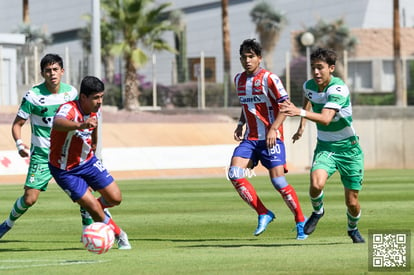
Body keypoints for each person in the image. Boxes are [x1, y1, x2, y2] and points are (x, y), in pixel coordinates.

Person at [0, 54, 95, 239]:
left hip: (68, 153)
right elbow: (17, 124)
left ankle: (89, 231)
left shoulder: (71, 93)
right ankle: (6, 225)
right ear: (42, 73)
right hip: (42, 155)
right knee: (30, 198)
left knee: (86, 193)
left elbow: (80, 118)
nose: (52, 74)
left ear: (62, 71)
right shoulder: (33, 95)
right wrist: (20, 144)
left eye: (55, 70)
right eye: (48, 70)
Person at [280, 48, 365, 243]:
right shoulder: (309, 85)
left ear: (331, 68)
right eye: (313, 68)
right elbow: (308, 99)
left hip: (349, 150)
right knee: (316, 184)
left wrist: (299, 113)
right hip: (326, 147)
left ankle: (352, 228)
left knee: (352, 202)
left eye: (320, 68)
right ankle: (318, 211)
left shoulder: (338, 89)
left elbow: (326, 119)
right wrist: (301, 127)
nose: (316, 72)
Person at [227, 38, 308, 240]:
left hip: (271, 139)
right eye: (244, 57)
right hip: (250, 139)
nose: (247, 60)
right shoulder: (238, 79)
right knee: (234, 174)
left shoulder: (270, 79)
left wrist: (273, 129)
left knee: (279, 181)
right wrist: (240, 123)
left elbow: (286, 105)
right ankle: (264, 213)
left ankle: (300, 220)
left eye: (251, 56)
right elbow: (248, 105)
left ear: (259, 58)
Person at [48, 75, 131, 249]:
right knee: (93, 206)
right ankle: (119, 234)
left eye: (101, 97)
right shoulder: (68, 109)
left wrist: (93, 143)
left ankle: (92, 209)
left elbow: (94, 129)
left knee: (115, 198)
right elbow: (57, 123)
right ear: (83, 97)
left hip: (88, 162)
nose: (100, 101)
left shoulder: (95, 110)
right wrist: (80, 125)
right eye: (96, 97)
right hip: (64, 169)